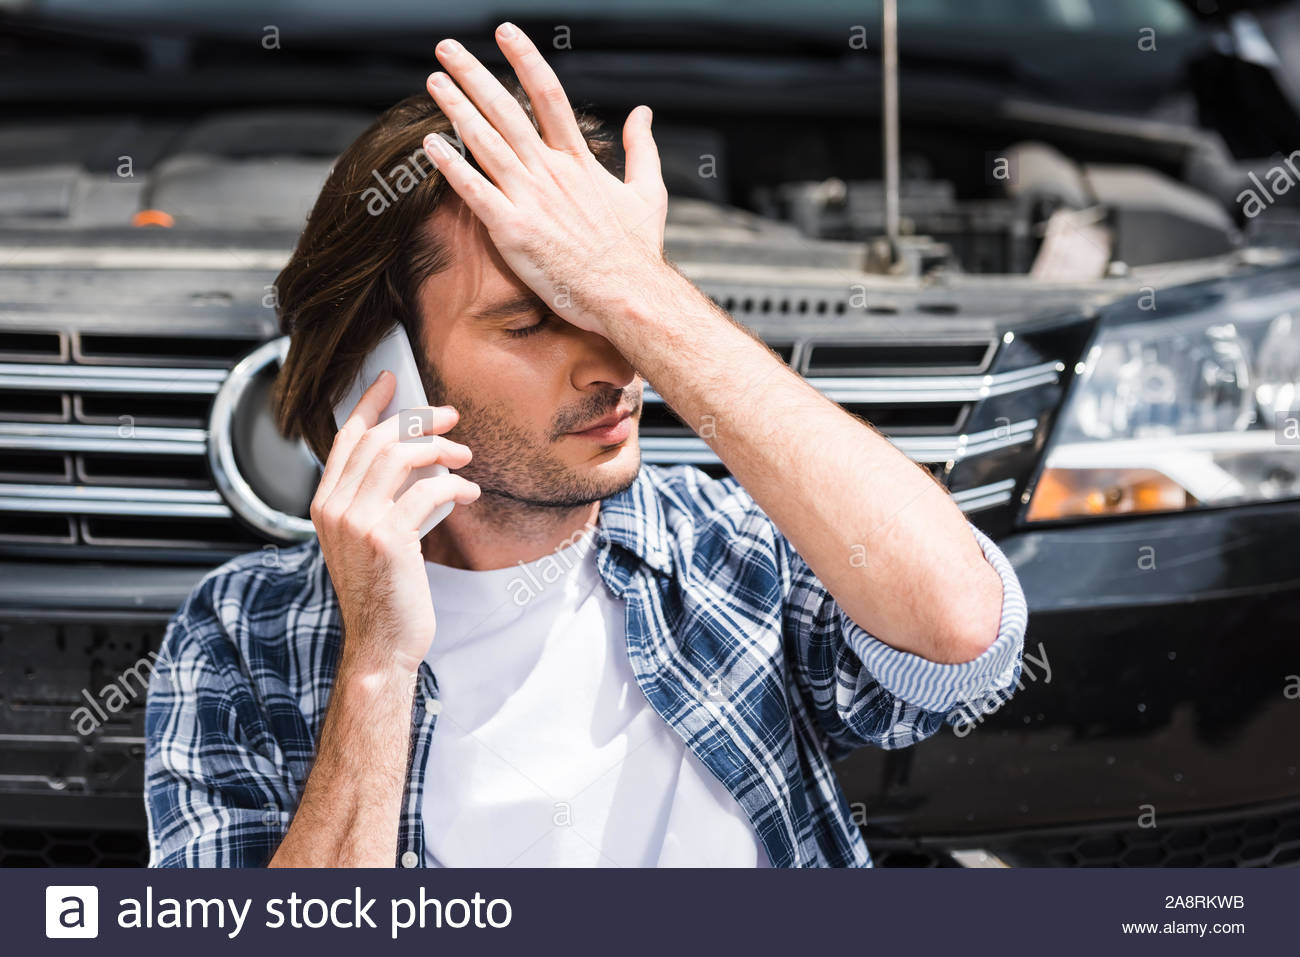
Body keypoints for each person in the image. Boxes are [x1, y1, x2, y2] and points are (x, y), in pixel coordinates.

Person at [145, 22, 1027, 868]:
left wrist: (637, 287)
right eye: (532, 322)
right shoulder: (240, 640)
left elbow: (965, 631)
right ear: (378, 370)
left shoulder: (728, 544)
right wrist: (377, 665)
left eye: (605, 309)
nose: (613, 361)